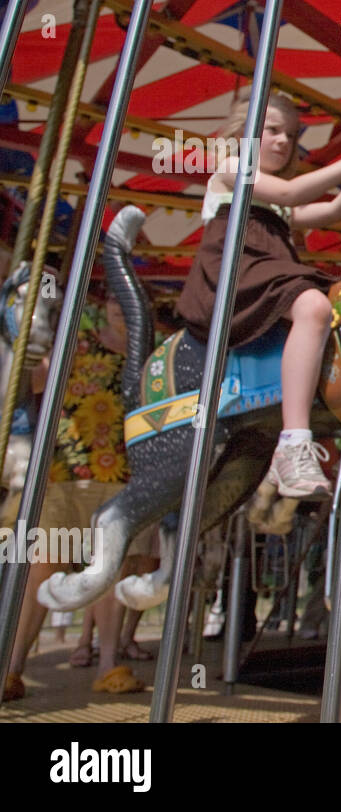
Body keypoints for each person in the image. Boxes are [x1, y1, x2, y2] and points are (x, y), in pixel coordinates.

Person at [176, 93, 341, 500]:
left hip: (269, 273)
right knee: (314, 304)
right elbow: (290, 194)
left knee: (339, 304)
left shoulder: (281, 211)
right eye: (272, 130)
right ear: (242, 134)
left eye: (291, 134)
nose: (284, 141)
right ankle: (292, 443)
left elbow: (334, 211)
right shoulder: (231, 169)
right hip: (237, 270)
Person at [3, 299, 154, 699]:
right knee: (41, 566)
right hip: (63, 470)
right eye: (117, 302)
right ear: (105, 306)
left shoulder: (148, 354)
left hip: (122, 472)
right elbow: (34, 383)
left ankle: (107, 664)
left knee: (109, 569)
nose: (124, 309)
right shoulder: (76, 343)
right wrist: (28, 357)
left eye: (133, 302)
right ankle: (13, 665)